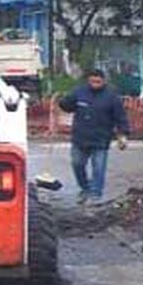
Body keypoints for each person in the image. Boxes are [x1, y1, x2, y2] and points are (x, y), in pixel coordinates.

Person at [59, 69, 130, 203]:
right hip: (80, 137)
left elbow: (120, 117)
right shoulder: (79, 92)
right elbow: (67, 105)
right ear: (88, 81)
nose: (95, 84)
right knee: (77, 164)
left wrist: (123, 134)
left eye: (98, 81)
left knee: (98, 168)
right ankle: (85, 188)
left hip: (101, 138)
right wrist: (63, 102)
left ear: (103, 81)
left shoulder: (111, 96)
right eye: (92, 81)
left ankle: (96, 194)